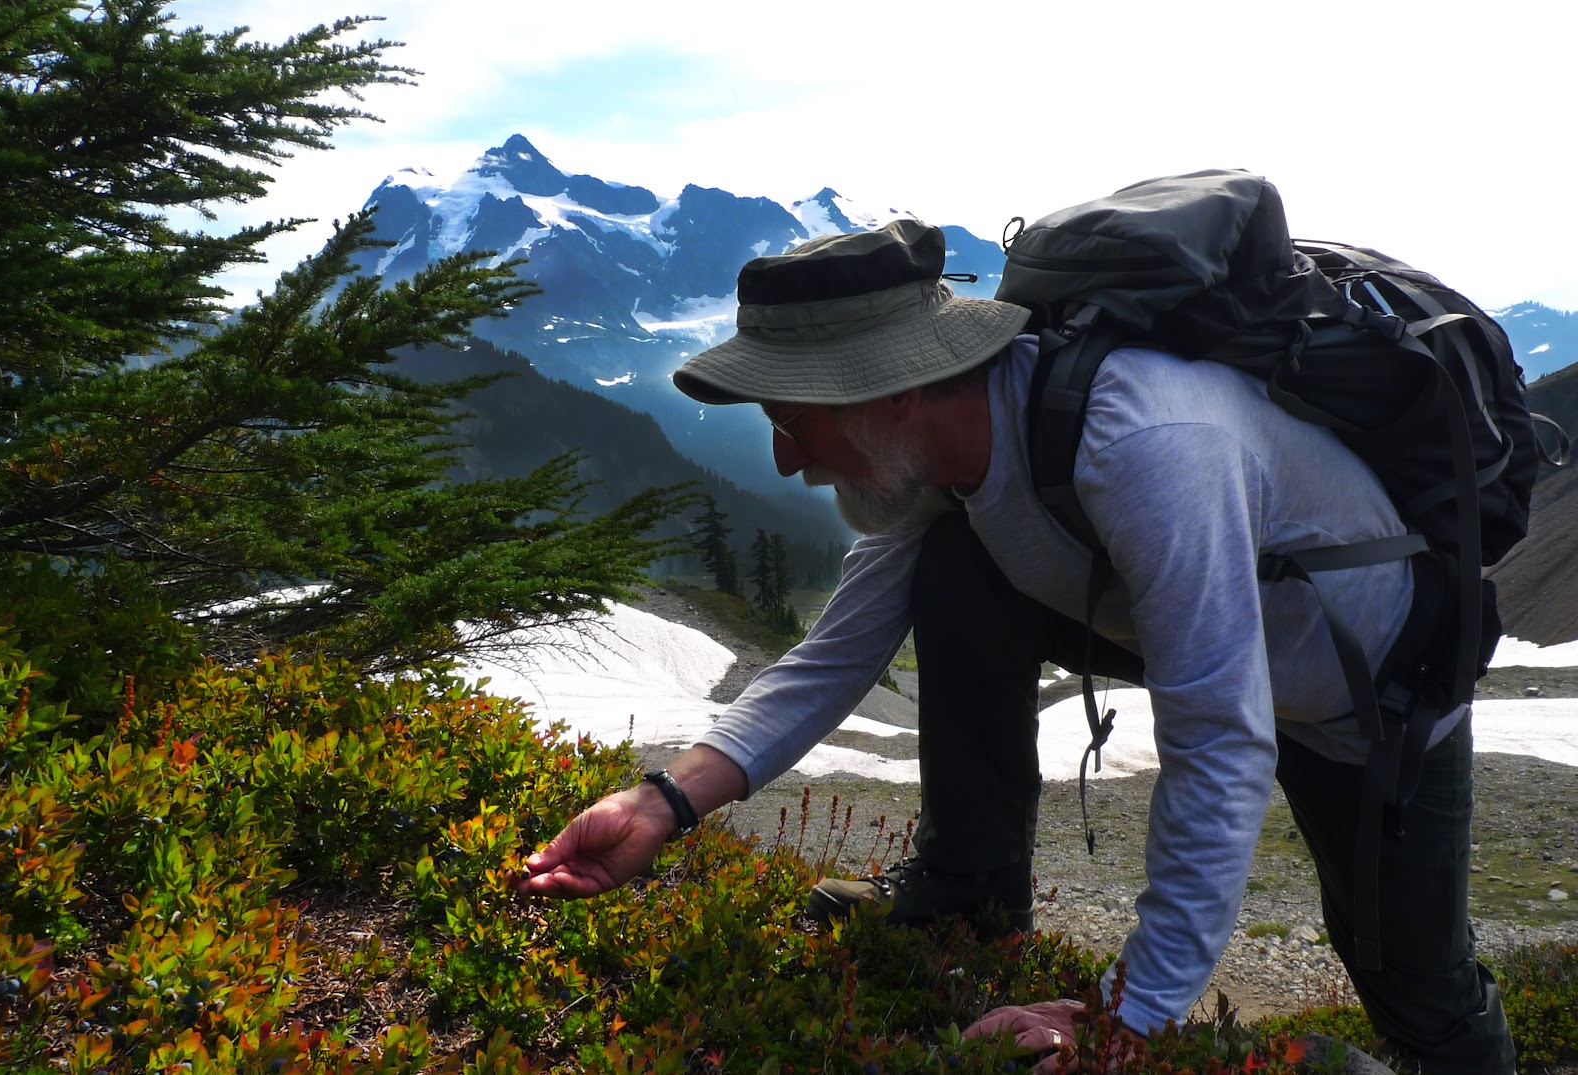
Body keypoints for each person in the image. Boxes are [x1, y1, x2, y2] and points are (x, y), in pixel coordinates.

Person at [515, 219, 1516, 1074]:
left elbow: (1218, 743)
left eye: (791, 417)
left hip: (1371, 701)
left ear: (893, 390)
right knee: (953, 566)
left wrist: (1128, 1024)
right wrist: (662, 800)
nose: (785, 454)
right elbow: (833, 655)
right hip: (1238, 653)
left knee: (1412, 981)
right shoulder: (940, 462)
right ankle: (968, 892)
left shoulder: (1147, 447)